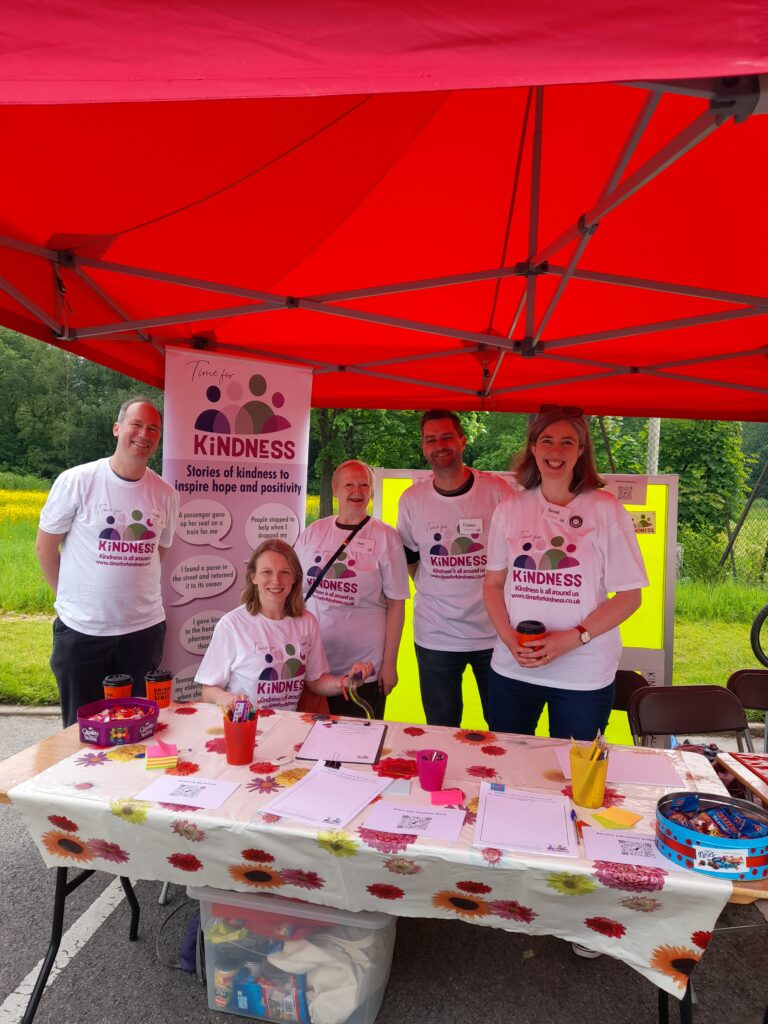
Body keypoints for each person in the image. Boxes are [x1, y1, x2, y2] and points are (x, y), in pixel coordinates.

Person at [483, 405, 648, 740]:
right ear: (532, 448)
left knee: (575, 774)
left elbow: (630, 596)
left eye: (567, 442)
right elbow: (493, 584)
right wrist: (508, 638)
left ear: (581, 451)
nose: (555, 451)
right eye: (546, 441)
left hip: (583, 674)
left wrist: (575, 637)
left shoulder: (605, 509)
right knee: (508, 766)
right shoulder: (510, 509)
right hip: (515, 669)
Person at [36, 396, 180, 726]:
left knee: (138, 726)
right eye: (136, 424)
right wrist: (70, 599)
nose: (144, 434)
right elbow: (45, 547)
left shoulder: (166, 494)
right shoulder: (78, 481)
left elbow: (160, 550)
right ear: (117, 428)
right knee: (80, 731)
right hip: (82, 631)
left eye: (153, 429)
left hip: (144, 632)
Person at [397, 409, 511, 727]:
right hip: (436, 636)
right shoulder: (411, 500)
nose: (439, 445)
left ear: (462, 440)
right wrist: (438, 589)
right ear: (423, 447)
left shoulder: (498, 492)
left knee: (503, 726)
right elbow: (410, 558)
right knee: (441, 729)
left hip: (494, 634)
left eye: (447, 436)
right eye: (430, 439)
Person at [197, 538, 373, 712]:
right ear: (253, 577)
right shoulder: (232, 625)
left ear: (295, 579)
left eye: (284, 572)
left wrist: (346, 682)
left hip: (287, 729)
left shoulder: (307, 622)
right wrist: (228, 699)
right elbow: (207, 690)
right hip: (245, 728)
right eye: (267, 572)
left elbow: (315, 681)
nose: (276, 580)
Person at [294, 460, 409, 719]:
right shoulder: (314, 532)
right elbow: (295, 592)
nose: (356, 491)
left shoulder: (386, 537)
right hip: (315, 665)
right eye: (348, 484)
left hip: (363, 670)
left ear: (371, 490)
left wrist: (389, 664)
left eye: (364, 484)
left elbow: (396, 604)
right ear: (335, 489)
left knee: (357, 744)